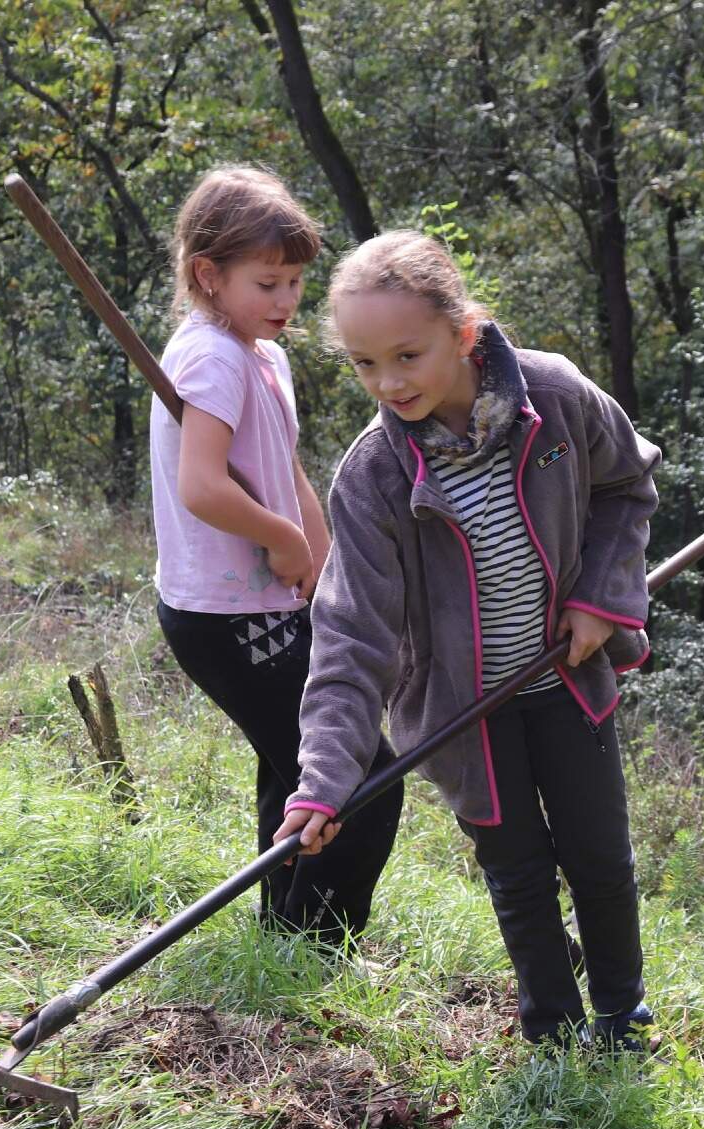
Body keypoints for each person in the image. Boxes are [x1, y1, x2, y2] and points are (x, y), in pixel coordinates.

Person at [277, 229, 657, 1049]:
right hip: (463, 714)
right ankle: (552, 1032)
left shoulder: (555, 396)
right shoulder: (373, 477)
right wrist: (325, 780)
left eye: (407, 356)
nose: (389, 382)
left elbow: (627, 486)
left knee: (599, 855)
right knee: (518, 870)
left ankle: (622, 1015)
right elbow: (350, 636)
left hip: (567, 677)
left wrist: (601, 596)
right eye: (365, 364)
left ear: (464, 332)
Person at [147, 164, 402, 944]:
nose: (287, 300)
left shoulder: (259, 353)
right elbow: (202, 486)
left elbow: (281, 470)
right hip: (225, 614)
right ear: (208, 275)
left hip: (268, 603)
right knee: (360, 778)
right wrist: (285, 540)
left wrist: (322, 563)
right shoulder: (212, 358)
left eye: (295, 282)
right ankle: (316, 946)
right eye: (267, 283)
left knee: (297, 766)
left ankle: (284, 937)